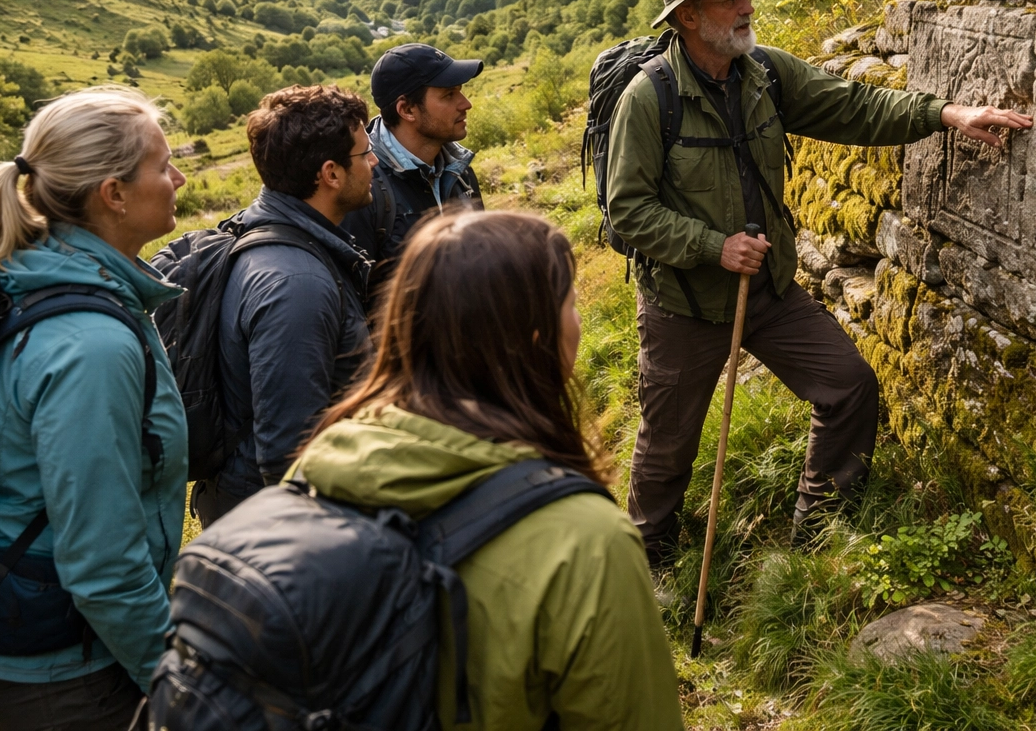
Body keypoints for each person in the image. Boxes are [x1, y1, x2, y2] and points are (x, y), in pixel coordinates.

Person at [605, 0, 1034, 562]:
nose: (747, 5)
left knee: (849, 386)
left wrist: (947, 113)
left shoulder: (766, 74)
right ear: (689, 16)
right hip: (683, 303)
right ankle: (649, 563)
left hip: (768, 291)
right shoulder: (649, 100)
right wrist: (713, 247)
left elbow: (853, 107)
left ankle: (820, 531)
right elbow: (628, 211)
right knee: (668, 444)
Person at [294, 211, 684, 730]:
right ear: (538, 335)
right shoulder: (585, 541)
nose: (580, 318)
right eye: (571, 302)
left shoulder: (320, 465)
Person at [0, 87, 189, 730]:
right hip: (59, 669)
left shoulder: (34, 272)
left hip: (18, 621)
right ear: (113, 193)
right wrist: (181, 686)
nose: (179, 177)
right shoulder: (92, 346)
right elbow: (103, 565)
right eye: (162, 166)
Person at [189, 85, 375, 527]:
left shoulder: (278, 240)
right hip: (280, 529)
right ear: (330, 174)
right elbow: (289, 455)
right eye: (365, 153)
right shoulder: (297, 284)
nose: (375, 163)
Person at [342, 43, 483, 309]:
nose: (466, 104)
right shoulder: (364, 190)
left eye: (461, 92)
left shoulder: (460, 171)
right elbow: (352, 310)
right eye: (449, 95)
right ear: (407, 110)